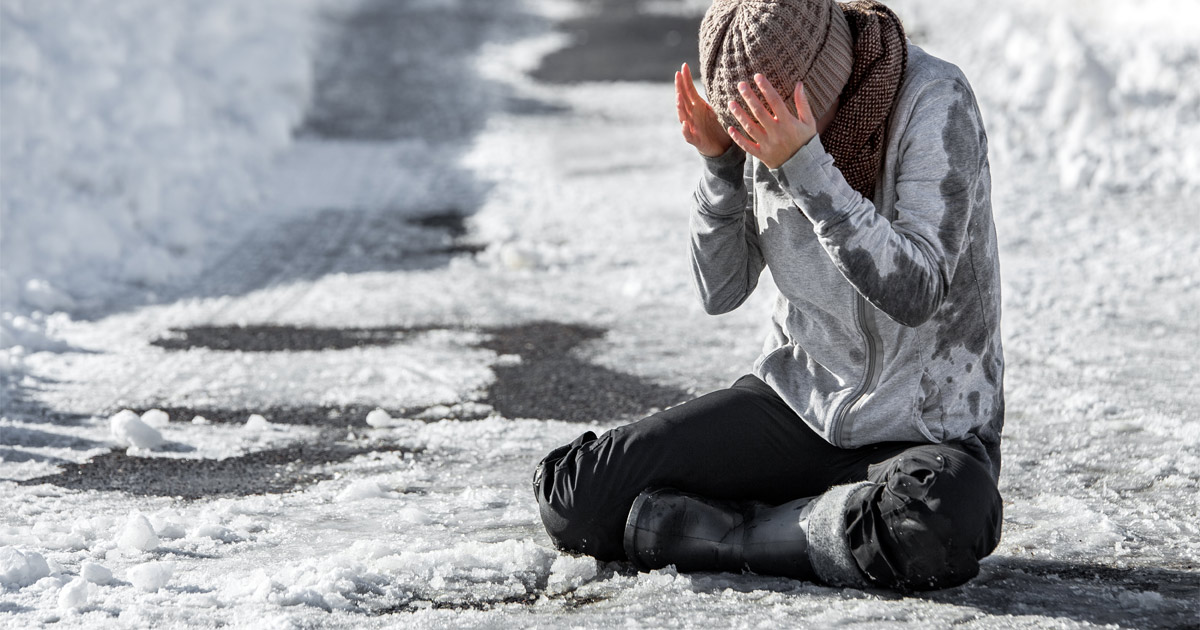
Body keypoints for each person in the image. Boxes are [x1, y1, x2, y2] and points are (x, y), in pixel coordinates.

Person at [533, 0, 1004, 591]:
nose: (760, 145)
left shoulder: (934, 100)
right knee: (576, 499)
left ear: (827, 81)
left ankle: (723, 537)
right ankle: (807, 527)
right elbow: (721, 290)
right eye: (745, 126)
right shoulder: (761, 131)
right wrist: (722, 167)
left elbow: (918, 289)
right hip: (794, 409)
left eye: (765, 124)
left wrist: (807, 166)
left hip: (925, 433)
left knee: (941, 521)